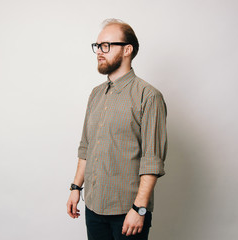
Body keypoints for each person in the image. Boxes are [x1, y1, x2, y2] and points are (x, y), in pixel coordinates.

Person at [66, 18, 167, 240]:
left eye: (106, 46)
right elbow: (86, 147)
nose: (99, 52)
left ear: (127, 50)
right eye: (98, 46)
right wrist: (76, 188)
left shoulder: (148, 96)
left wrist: (139, 209)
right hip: (93, 207)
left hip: (128, 212)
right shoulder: (95, 94)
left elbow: (152, 159)